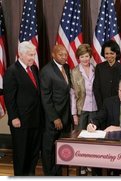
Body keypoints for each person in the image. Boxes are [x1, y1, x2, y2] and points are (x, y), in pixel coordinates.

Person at [3, 41, 42, 176]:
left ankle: (30, 176)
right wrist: (13, 117)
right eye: (30, 55)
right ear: (20, 54)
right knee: (21, 153)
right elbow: (9, 98)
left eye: (34, 54)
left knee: (33, 152)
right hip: (20, 121)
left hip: (35, 119)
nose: (32, 57)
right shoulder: (12, 71)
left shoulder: (34, 69)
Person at [40, 44, 72, 176]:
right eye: (61, 54)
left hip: (65, 115)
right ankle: (49, 175)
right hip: (53, 118)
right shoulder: (46, 71)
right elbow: (45, 98)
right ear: (53, 55)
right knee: (48, 148)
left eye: (65, 54)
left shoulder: (66, 67)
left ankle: (57, 173)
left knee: (60, 148)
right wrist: (55, 118)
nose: (64, 57)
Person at [70, 44, 97, 130]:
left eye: (87, 56)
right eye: (82, 56)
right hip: (81, 110)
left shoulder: (96, 69)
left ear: (90, 56)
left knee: (94, 135)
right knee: (80, 135)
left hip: (95, 108)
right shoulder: (74, 72)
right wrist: (74, 114)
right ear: (78, 58)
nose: (85, 59)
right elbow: (73, 94)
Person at [93, 40, 121, 110]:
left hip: (119, 105)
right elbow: (96, 88)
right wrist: (101, 106)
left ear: (116, 53)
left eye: (112, 53)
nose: (109, 56)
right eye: (106, 53)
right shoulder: (99, 67)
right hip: (103, 105)